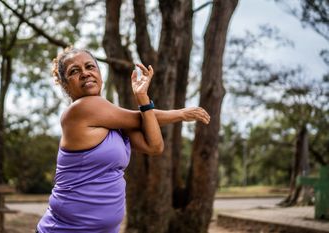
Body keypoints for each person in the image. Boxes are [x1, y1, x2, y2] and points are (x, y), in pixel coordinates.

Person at [36, 47, 210, 233]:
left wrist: (143, 98)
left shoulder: (114, 120)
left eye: (90, 67)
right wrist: (181, 113)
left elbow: (154, 146)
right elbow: (139, 118)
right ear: (65, 85)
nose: (85, 73)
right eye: (74, 71)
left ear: (100, 74)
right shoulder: (79, 110)